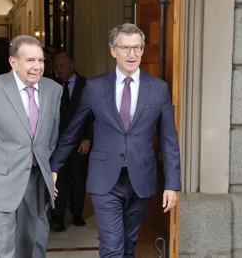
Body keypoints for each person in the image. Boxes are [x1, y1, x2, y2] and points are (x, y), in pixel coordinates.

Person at [50, 23, 181, 257]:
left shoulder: (159, 89)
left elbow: (169, 139)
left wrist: (172, 183)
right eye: (125, 48)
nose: (132, 54)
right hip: (105, 178)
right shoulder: (94, 87)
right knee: (112, 247)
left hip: (140, 179)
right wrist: (54, 168)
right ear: (113, 51)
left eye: (137, 48)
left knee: (128, 244)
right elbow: (73, 132)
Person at [0, 35, 62, 257]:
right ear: (13, 62)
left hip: (37, 184)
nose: (37, 67)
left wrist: (50, 173)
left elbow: (51, 138)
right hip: (0, 184)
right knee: (1, 251)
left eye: (41, 60)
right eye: (30, 61)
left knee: (34, 249)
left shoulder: (54, 90)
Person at [49, 52, 93, 232]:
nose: (58, 69)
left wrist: (88, 137)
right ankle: (57, 217)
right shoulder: (52, 86)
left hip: (79, 142)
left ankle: (77, 213)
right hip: (57, 142)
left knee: (78, 178)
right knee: (57, 179)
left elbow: (93, 114)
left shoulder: (87, 85)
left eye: (61, 66)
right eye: (56, 66)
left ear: (71, 65)